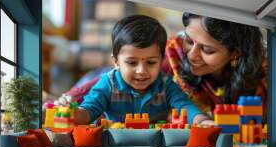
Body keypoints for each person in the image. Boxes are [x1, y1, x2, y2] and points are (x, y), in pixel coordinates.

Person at [55, 13, 267, 120]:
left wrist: (202, 122)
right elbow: (100, 87)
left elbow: (185, 106)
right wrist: (66, 102)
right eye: (190, 41)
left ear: (235, 53)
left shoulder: (262, 79)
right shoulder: (170, 54)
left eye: (207, 50)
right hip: (103, 79)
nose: (191, 55)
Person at [70, 15, 212, 125]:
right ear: (116, 62)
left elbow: (185, 107)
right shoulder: (108, 83)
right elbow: (89, 110)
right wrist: (74, 114)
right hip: (114, 142)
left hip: (154, 144)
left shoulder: (165, 84)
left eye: (151, 62)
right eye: (132, 63)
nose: (141, 71)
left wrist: (202, 121)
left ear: (162, 60)